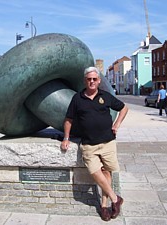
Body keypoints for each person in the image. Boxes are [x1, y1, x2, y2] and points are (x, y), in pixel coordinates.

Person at [60, 67, 128, 221]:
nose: (92, 81)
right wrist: (66, 138)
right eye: (89, 79)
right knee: (95, 172)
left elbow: (124, 108)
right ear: (85, 81)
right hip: (89, 144)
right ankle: (115, 199)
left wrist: (116, 125)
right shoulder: (77, 99)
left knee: (106, 173)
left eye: (94, 79)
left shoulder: (106, 96)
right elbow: (69, 119)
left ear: (98, 81)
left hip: (108, 142)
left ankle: (104, 206)